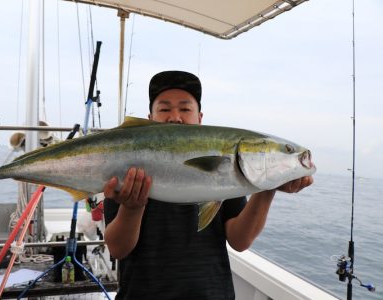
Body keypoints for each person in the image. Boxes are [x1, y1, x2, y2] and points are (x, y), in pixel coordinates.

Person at [103, 70, 313, 300]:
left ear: (200, 119)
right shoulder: (126, 161)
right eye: (164, 109)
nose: (175, 117)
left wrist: (268, 187)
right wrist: (132, 208)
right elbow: (117, 249)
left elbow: (240, 240)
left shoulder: (231, 173)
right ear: (149, 119)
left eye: (185, 109)